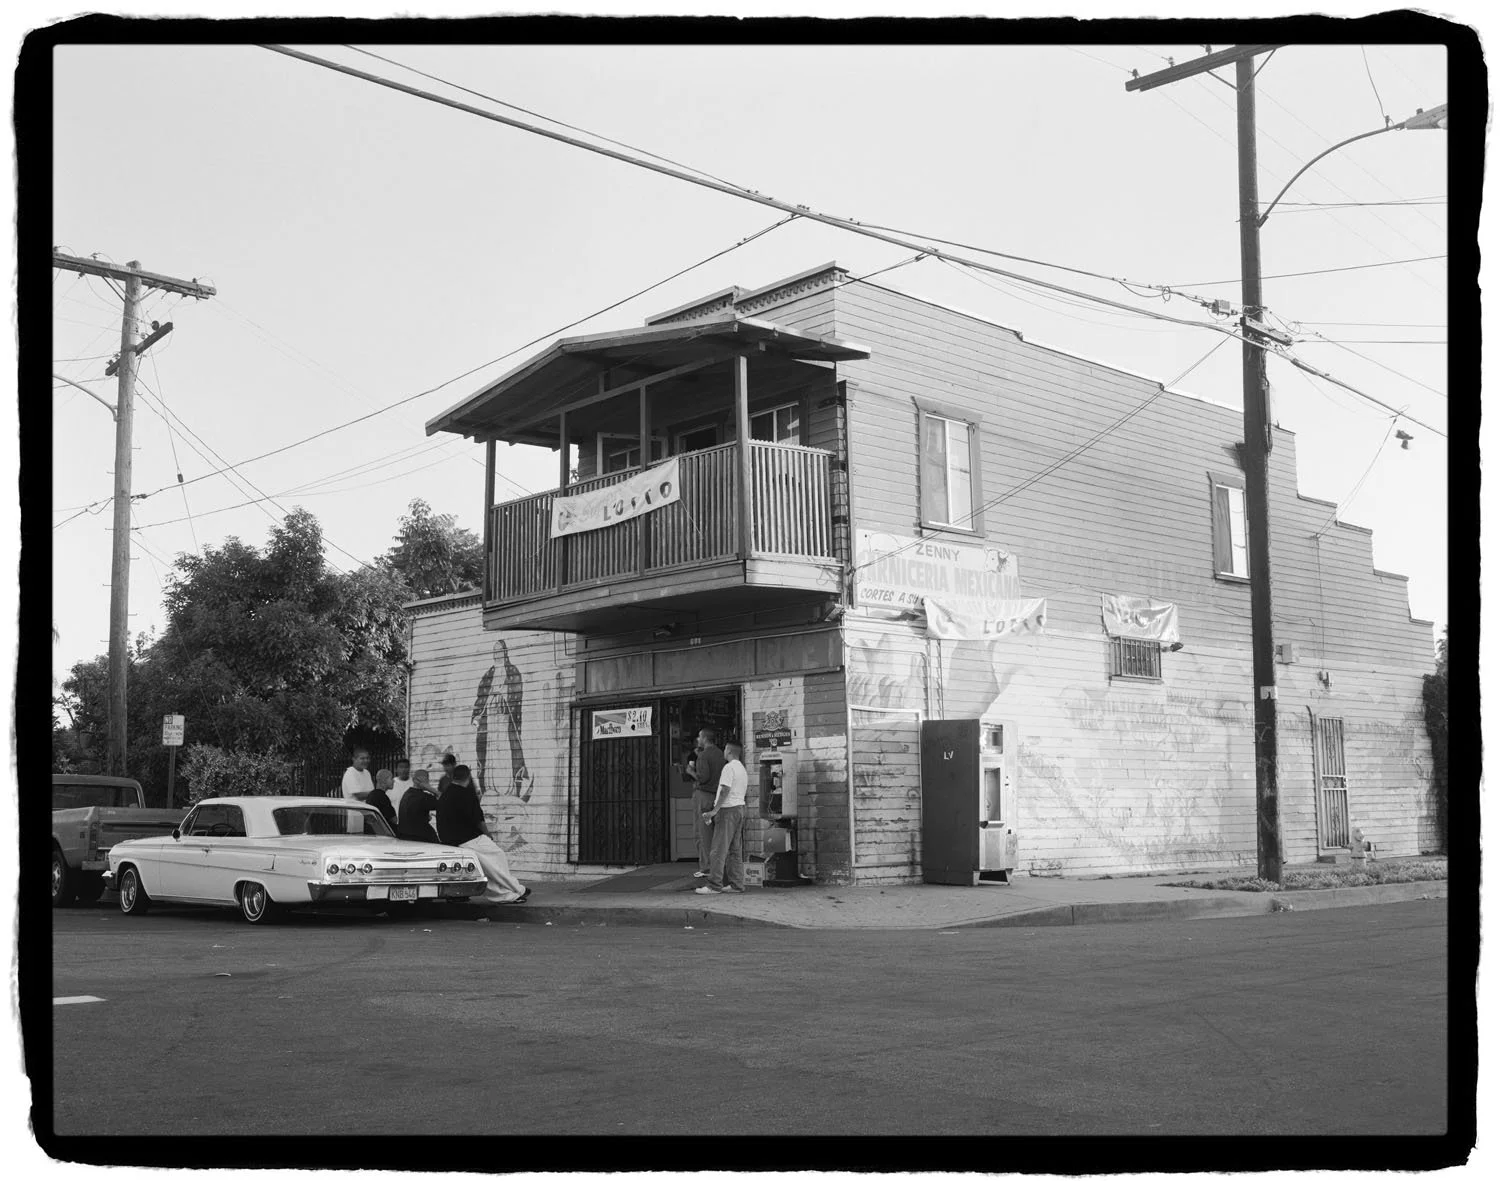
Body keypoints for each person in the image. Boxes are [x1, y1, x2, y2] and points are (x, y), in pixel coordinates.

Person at [435, 764, 530, 904]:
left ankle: (508, 893)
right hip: (468, 838)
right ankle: (515, 889)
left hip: (450, 839)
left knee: (485, 868)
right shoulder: (466, 794)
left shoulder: (446, 794)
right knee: (498, 858)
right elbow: (478, 819)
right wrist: (488, 835)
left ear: (453, 777)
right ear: (468, 776)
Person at [696, 742, 749, 895]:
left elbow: (725, 790)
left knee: (718, 850)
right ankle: (737, 884)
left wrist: (714, 811)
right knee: (735, 850)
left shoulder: (729, 767)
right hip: (739, 808)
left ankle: (714, 885)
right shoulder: (742, 769)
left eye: (725, 749)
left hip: (727, 811)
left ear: (729, 751)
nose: (723, 751)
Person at [689, 728, 726, 880]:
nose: (698, 740)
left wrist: (690, 771)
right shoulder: (721, 754)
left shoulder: (703, 755)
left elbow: (702, 778)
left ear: (704, 738)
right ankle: (719, 865)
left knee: (702, 833)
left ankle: (706, 867)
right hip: (718, 796)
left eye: (699, 737)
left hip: (703, 796)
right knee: (717, 833)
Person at [396, 770, 440, 843]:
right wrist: (431, 789)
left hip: (404, 836)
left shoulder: (406, 794)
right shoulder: (423, 797)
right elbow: (443, 800)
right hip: (421, 837)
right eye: (427, 780)